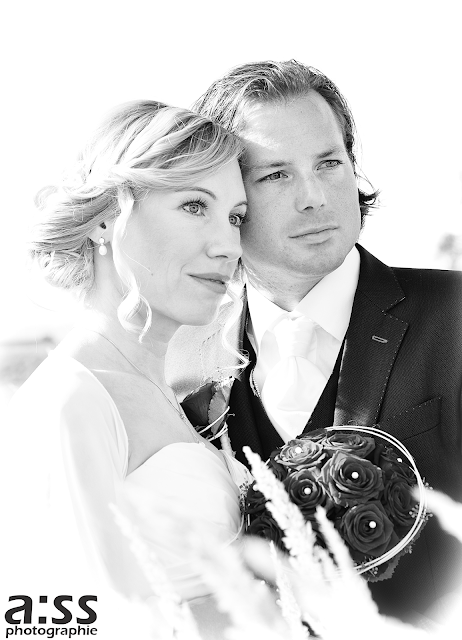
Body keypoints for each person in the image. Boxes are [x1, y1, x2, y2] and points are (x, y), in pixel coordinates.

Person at [165, 60, 462, 625]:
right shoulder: (180, 365)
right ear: (225, 195)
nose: (315, 196)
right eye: (276, 174)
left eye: (329, 163)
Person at [2, 100, 252, 633]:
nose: (228, 245)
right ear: (104, 220)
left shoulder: (166, 391)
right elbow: (70, 620)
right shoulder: (74, 400)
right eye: (194, 206)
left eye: (236, 217)